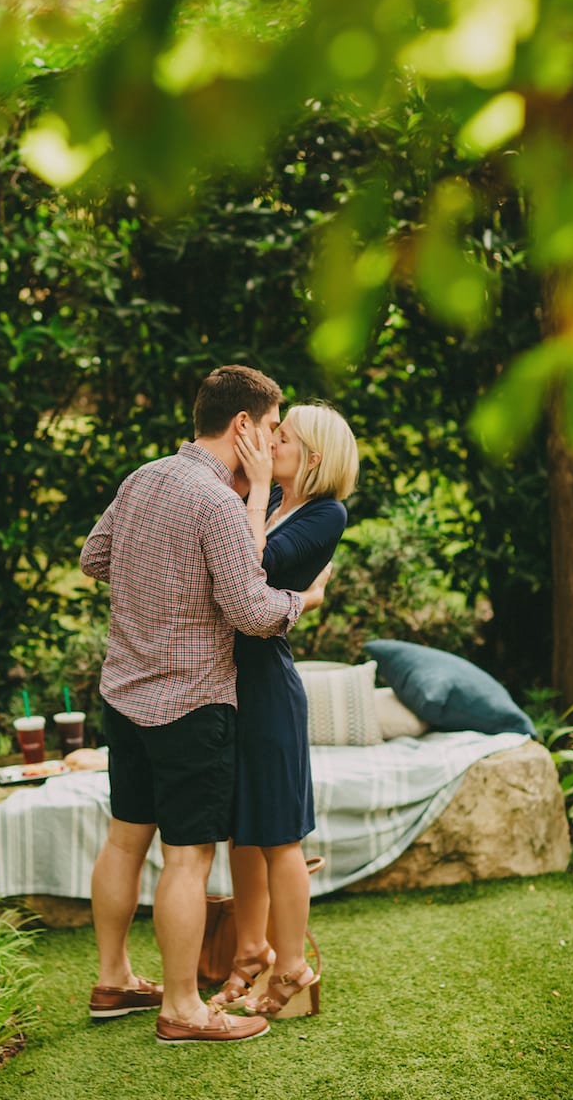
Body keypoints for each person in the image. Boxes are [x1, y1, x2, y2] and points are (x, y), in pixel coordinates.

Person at [79, 366, 331, 1045]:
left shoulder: (143, 478)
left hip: (123, 691)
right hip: (191, 703)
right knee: (186, 859)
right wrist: (301, 603)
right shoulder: (219, 502)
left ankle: (113, 979)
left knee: (124, 839)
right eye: (274, 425)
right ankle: (183, 1007)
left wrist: (154, 582)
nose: (276, 439)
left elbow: (93, 557)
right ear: (243, 424)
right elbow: (250, 612)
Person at [211, 402, 359, 1019]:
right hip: (228, 678)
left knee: (280, 837)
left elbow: (253, 568)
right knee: (244, 830)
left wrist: (258, 492)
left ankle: (292, 965)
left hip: (268, 685)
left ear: (314, 457)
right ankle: (250, 952)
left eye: (285, 438)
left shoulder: (326, 513)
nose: (270, 444)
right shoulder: (269, 503)